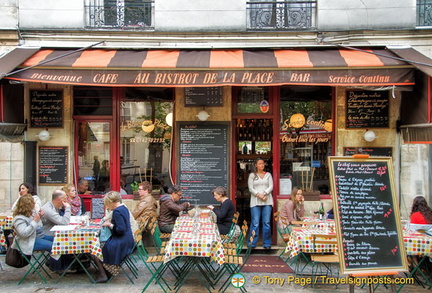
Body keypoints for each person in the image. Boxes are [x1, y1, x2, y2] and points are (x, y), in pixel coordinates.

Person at [93, 191, 134, 283]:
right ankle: (106, 271)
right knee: (100, 246)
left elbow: (120, 229)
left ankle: (104, 274)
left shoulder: (117, 211)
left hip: (121, 241)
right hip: (128, 239)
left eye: (107, 204)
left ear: (111, 202)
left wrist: (109, 225)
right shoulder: (123, 207)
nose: (107, 206)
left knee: (95, 251)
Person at [248, 157, 273, 249]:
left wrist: (265, 193)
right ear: (256, 165)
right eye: (259, 164)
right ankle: (252, 243)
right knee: (255, 223)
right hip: (255, 202)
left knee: (266, 222)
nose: (262, 165)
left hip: (267, 201)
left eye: (263, 163)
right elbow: (251, 188)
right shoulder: (252, 175)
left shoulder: (268, 175)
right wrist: (259, 195)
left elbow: (271, 186)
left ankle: (267, 243)